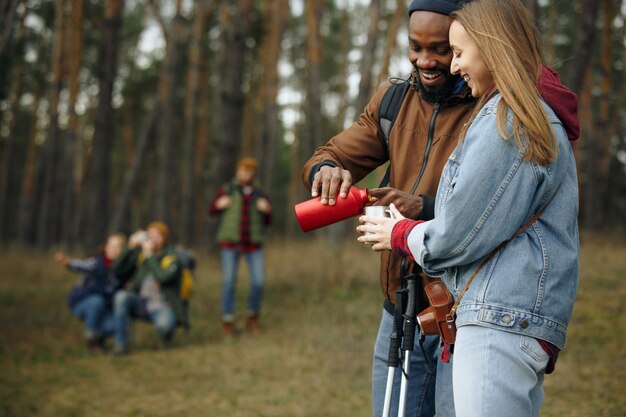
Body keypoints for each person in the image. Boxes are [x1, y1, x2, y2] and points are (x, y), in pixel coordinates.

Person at [301, 0, 579, 415]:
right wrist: (325, 170)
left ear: (476, 43)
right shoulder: (394, 101)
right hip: (401, 305)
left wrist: (421, 209)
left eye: (445, 50)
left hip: (465, 305)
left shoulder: (496, 109)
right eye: (416, 47)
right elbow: (333, 154)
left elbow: (486, 210)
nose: (429, 61)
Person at [208, 157, 272, 337]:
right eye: (242, 170)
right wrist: (218, 204)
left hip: (253, 244)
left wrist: (267, 211)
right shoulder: (227, 189)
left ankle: (252, 317)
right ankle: (228, 320)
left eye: (248, 171)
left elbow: (268, 221)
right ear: (238, 171)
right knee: (229, 282)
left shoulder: (259, 193)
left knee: (258, 282)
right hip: (230, 243)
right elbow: (211, 211)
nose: (244, 174)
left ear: (253, 174)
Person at [111, 221, 185, 355]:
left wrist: (150, 256)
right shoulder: (141, 254)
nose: (154, 240)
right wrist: (130, 246)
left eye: (158, 236)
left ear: (164, 238)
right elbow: (116, 269)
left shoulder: (172, 257)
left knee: (165, 326)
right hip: (141, 302)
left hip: (163, 305)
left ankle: (167, 337)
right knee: (121, 297)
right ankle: (121, 344)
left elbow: (163, 278)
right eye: (151, 236)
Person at [56, 233, 127, 352]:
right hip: (83, 302)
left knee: (116, 326)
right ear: (106, 247)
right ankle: (92, 341)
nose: (112, 250)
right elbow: (80, 265)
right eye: (110, 246)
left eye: (117, 247)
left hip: (105, 308)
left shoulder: (123, 269)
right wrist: (67, 262)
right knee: (96, 301)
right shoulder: (97, 263)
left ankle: (99, 338)